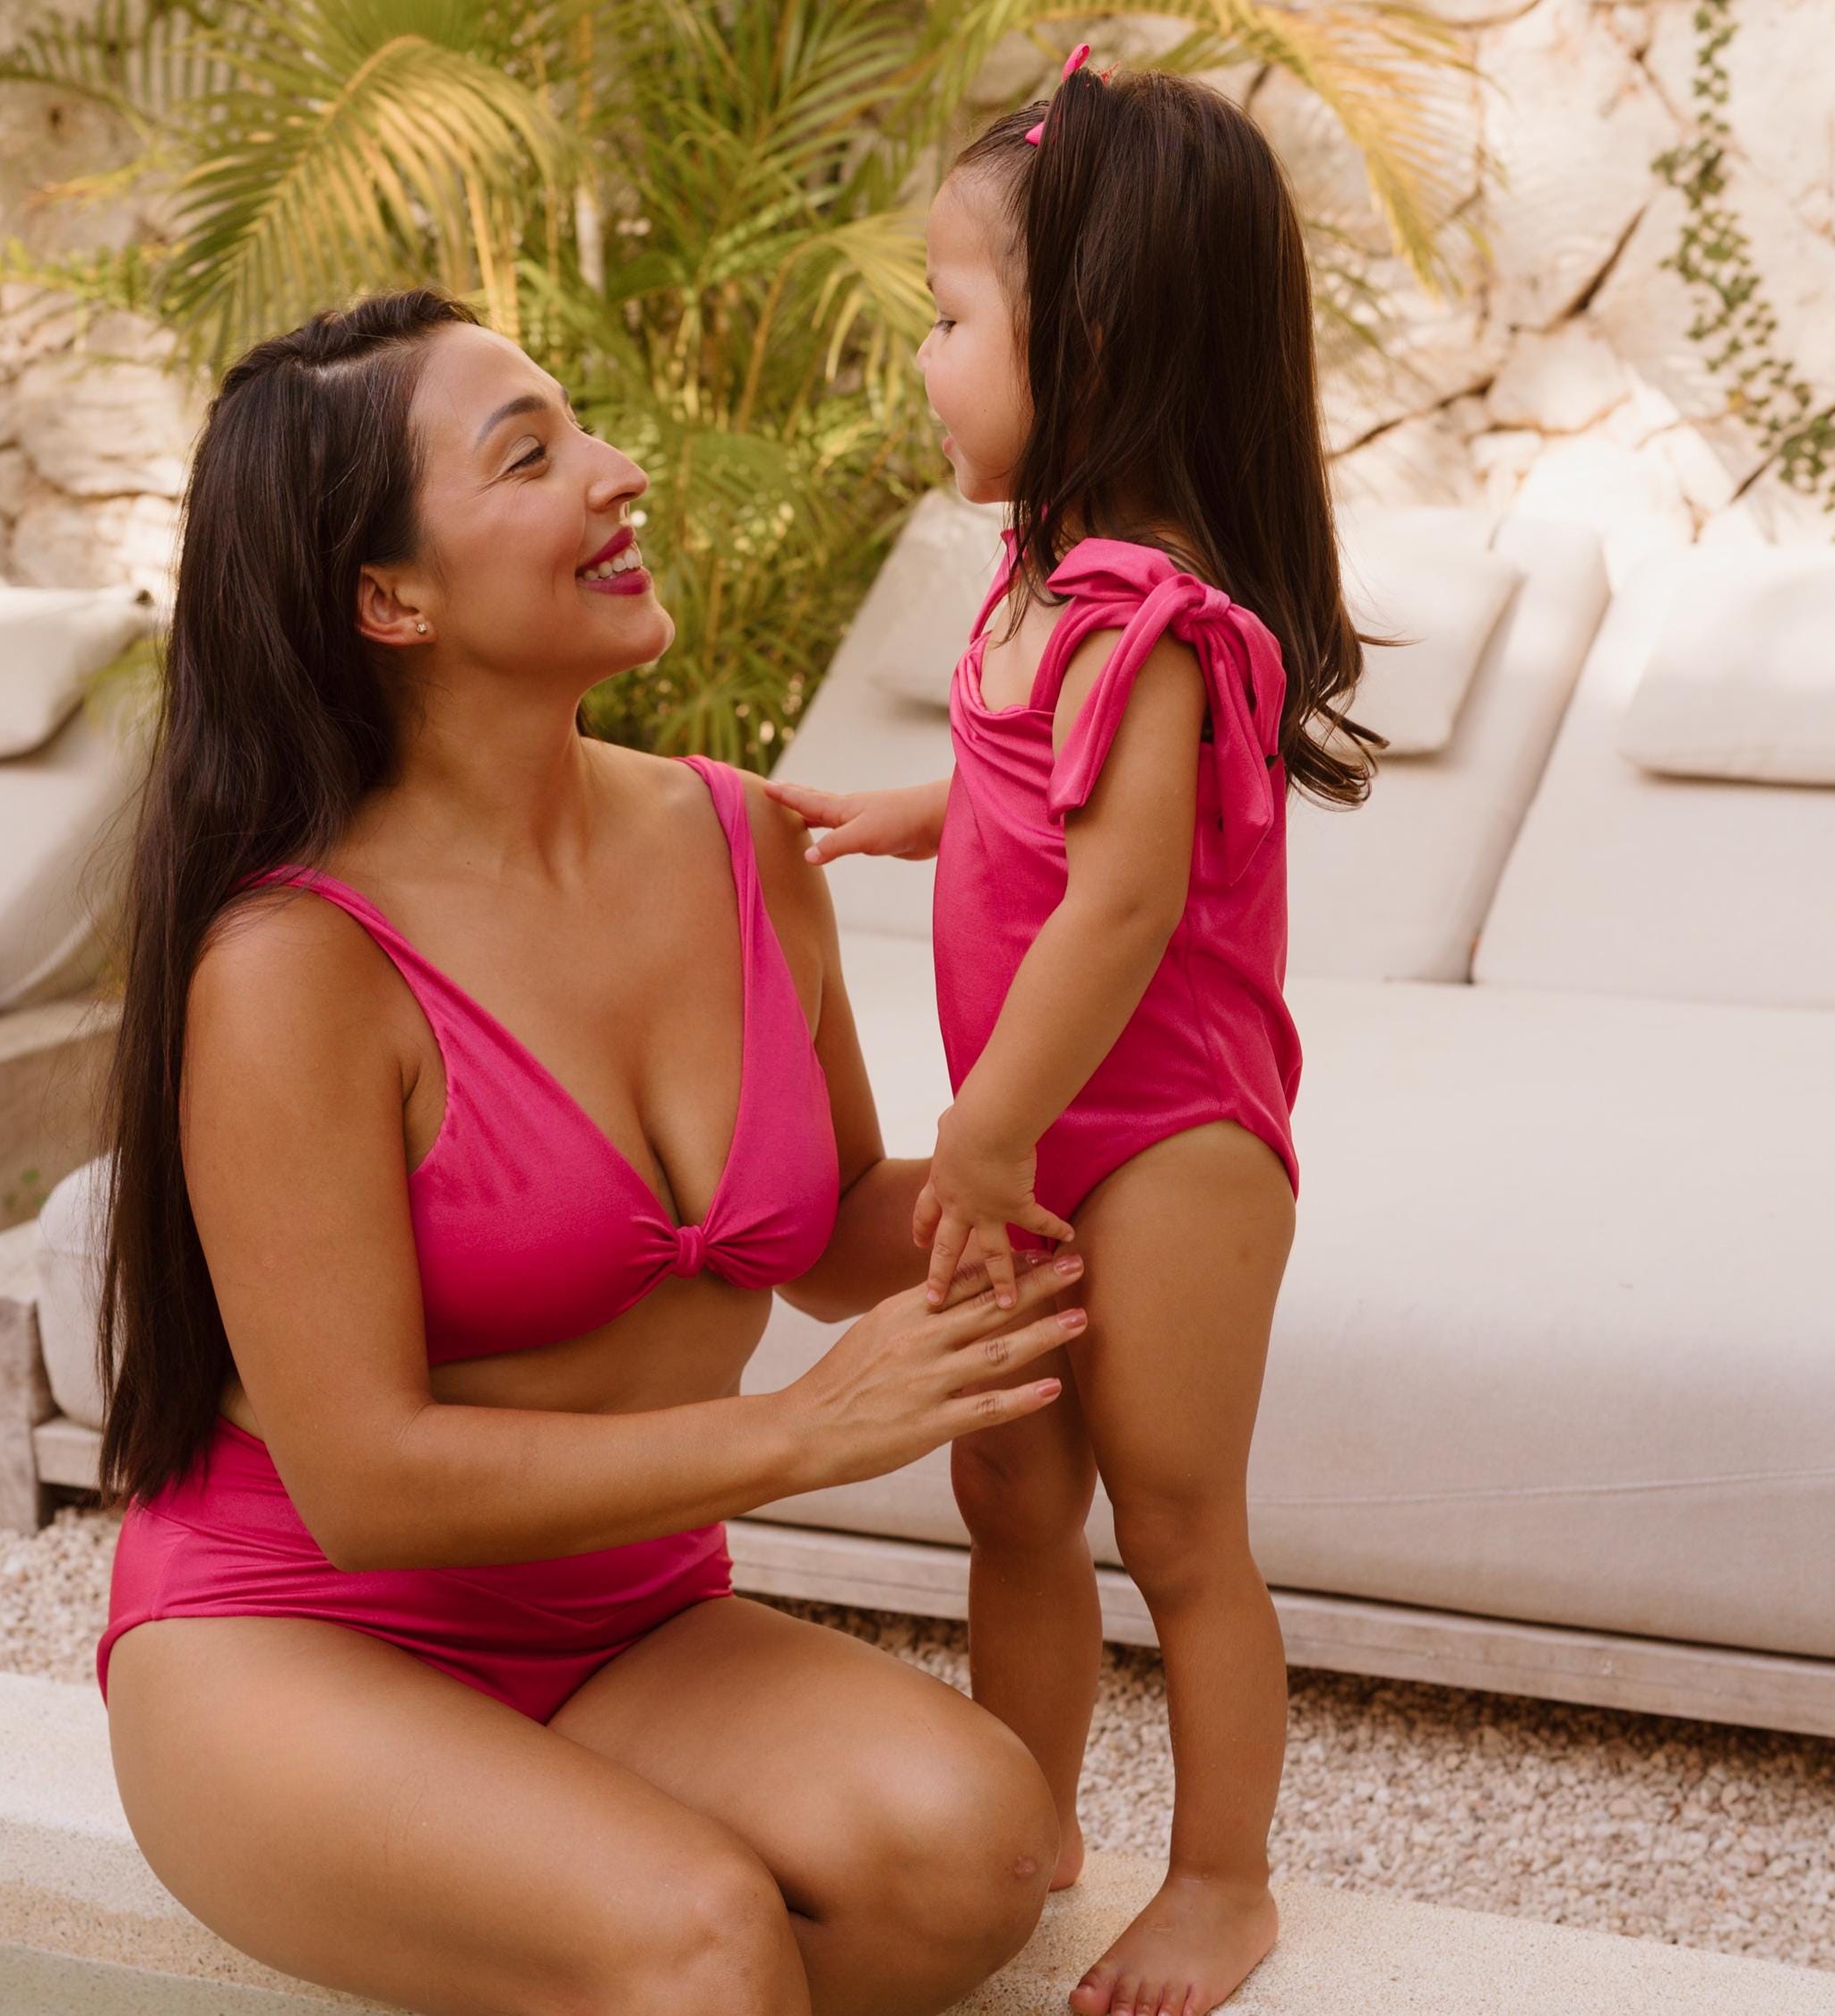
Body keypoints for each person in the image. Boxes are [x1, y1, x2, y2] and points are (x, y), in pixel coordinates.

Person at [90, 286, 1096, 2016]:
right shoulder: (297, 967)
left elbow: (837, 1225)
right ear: (387, 596)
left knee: (973, 1850)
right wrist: (795, 1430)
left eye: (586, 429)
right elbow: (369, 1478)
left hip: (625, 1625)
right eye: (533, 456)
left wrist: (1085, 1154)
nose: (620, 475)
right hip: (304, 1627)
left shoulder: (739, 838)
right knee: (695, 1931)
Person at [767, 56, 1379, 2016]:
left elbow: (1121, 906)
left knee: (1181, 1521)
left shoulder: (1161, 620)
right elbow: (1041, 802)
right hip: (1025, 1130)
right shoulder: (1040, 598)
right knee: (1011, 1499)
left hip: (1164, 1137)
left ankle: (1224, 1881)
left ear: (1091, 342)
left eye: (952, 322)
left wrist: (994, 1135)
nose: (927, 365)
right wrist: (909, 814)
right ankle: (1022, 1829)